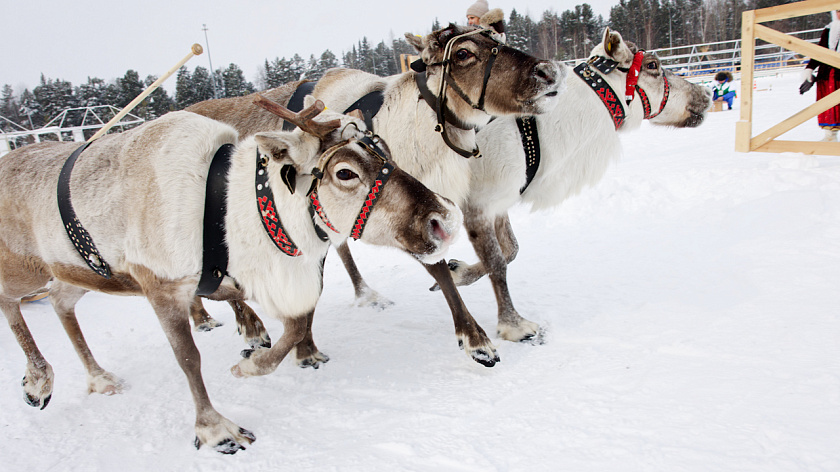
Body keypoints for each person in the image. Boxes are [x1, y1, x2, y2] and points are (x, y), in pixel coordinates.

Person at [799, 10, 840, 141]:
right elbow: (819, 52)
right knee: (828, 107)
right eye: (838, 11)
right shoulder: (829, 30)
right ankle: (830, 137)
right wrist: (809, 70)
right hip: (827, 75)